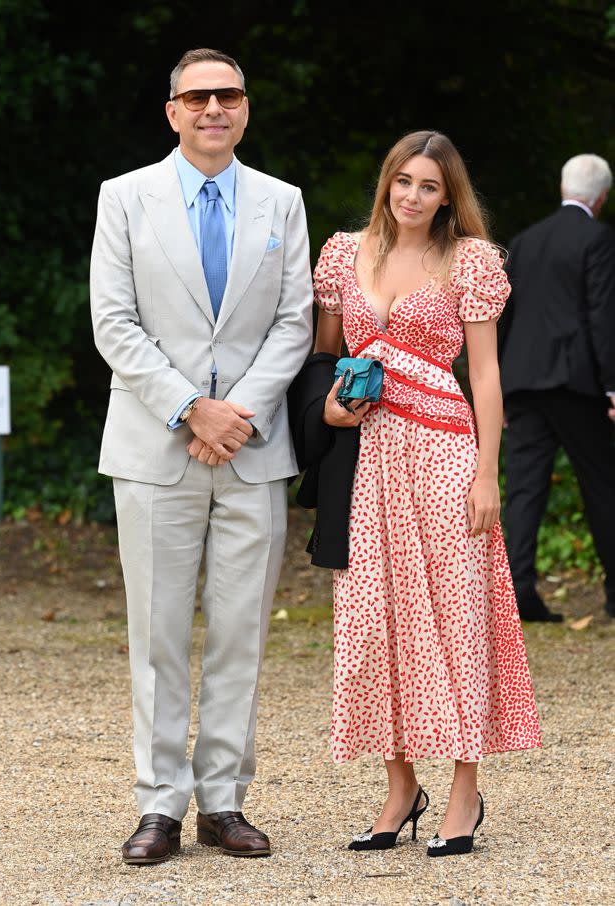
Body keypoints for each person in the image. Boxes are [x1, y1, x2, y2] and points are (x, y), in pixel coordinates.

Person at [89, 47, 313, 864]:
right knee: (156, 634)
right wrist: (191, 409)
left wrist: (239, 415)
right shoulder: (126, 198)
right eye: (198, 97)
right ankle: (159, 806)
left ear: (245, 109)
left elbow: (295, 320)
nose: (214, 108)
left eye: (228, 96)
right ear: (173, 110)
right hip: (156, 444)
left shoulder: (282, 202)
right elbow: (113, 321)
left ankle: (223, 801)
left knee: (239, 632)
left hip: (251, 450)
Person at [311, 129, 541, 858]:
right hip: (367, 456)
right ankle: (400, 786)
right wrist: (328, 405)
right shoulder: (343, 253)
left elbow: (486, 377)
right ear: (386, 182)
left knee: (454, 614)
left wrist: (486, 472)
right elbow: (325, 356)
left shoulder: (469, 261)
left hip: (443, 451)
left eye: (429, 186)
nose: (412, 196)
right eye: (403, 181)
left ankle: (465, 790)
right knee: (373, 617)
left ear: (448, 197)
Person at [497, 153, 615, 623]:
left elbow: (502, 315)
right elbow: (602, 316)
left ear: (563, 187)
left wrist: (501, 385)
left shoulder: (525, 241)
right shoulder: (598, 238)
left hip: (522, 380)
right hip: (575, 382)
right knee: (602, 485)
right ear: (601, 197)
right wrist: (612, 386)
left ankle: (518, 592)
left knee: (523, 489)